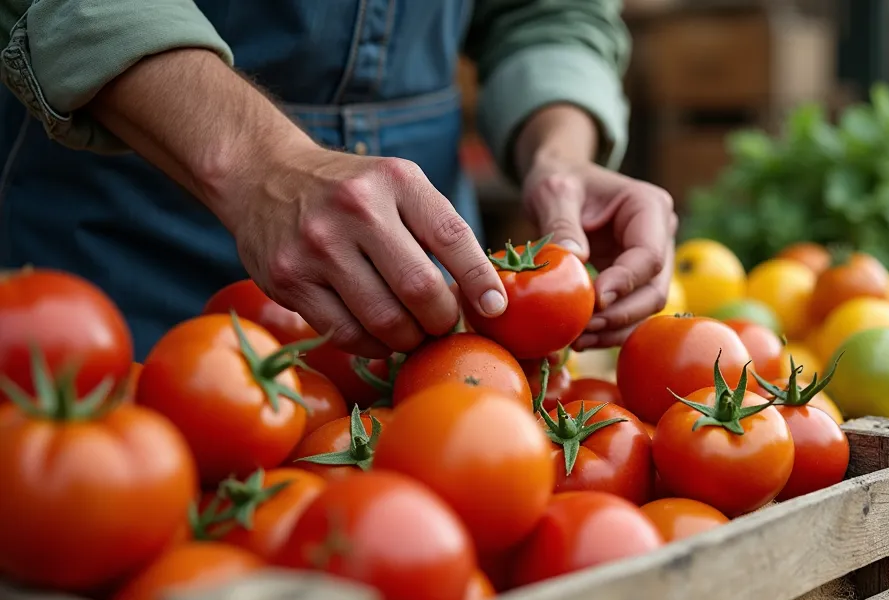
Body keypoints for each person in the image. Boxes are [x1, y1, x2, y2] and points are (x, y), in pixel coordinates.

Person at [0, 0, 675, 361]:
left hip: (426, 313)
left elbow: (547, 10)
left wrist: (560, 153)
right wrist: (255, 159)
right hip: (104, 263)